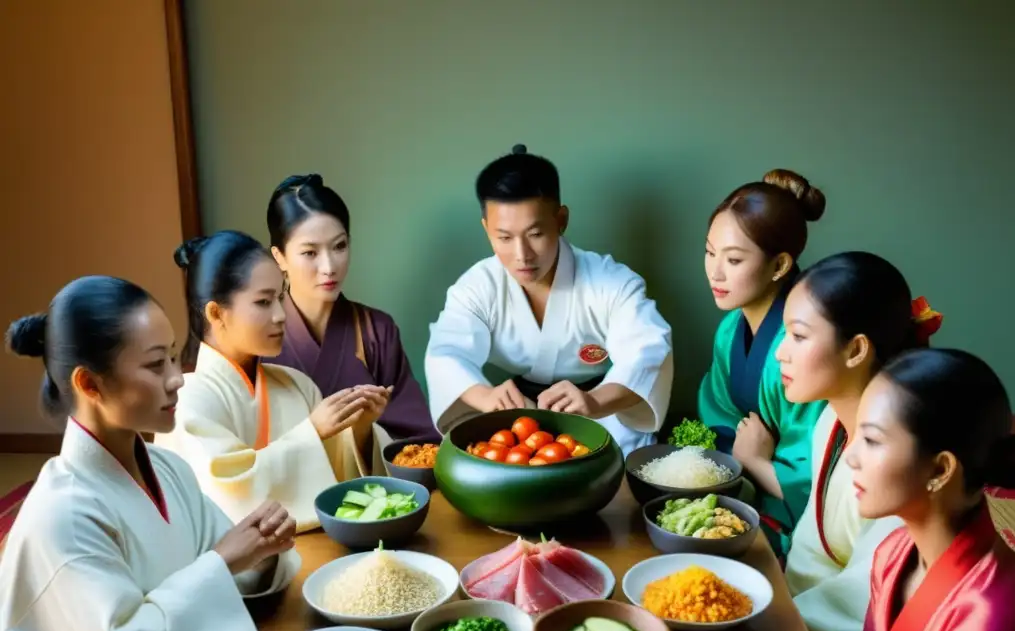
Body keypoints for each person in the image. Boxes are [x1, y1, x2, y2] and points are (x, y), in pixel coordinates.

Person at [0, 276, 300, 631]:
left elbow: (223, 562)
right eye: (154, 364)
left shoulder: (167, 469)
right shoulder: (61, 515)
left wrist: (262, 552)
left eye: (172, 356)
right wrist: (225, 562)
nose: (177, 377)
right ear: (89, 383)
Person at [424, 145, 673, 457]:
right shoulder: (477, 287)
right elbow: (446, 354)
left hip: (603, 413)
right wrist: (487, 397)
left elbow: (648, 352)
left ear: (561, 220)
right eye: (504, 237)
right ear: (486, 229)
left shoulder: (612, 282)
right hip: (520, 421)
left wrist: (594, 400)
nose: (522, 255)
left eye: (536, 233)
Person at [840, 348, 1015, 631]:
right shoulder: (892, 554)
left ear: (941, 469)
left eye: (871, 440)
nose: (851, 456)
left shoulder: (992, 619)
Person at [153, 231, 390, 532]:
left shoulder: (297, 385)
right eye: (264, 302)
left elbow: (342, 486)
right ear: (216, 313)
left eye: (280, 297)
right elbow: (228, 497)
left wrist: (359, 430)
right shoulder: (186, 400)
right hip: (242, 572)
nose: (280, 315)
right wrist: (313, 432)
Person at [776, 251, 942, 631]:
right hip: (802, 611)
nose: (781, 353)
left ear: (855, 350)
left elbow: (865, 607)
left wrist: (765, 622)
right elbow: (813, 554)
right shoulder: (829, 422)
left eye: (797, 336)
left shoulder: (900, 458)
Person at [698, 169, 829, 556]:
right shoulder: (729, 330)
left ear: (780, 265)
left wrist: (753, 459)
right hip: (745, 478)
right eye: (709, 252)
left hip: (796, 511)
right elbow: (718, 410)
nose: (715, 272)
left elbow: (818, 473)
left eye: (734, 259)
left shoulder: (801, 348)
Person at [265, 174, 438, 465]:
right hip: (285, 505)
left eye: (339, 246)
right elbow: (247, 454)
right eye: (310, 252)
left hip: (376, 499)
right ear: (280, 257)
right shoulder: (257, 338)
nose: (329, 267)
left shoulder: (376, 331)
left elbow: (418, 444)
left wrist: (364, 432)